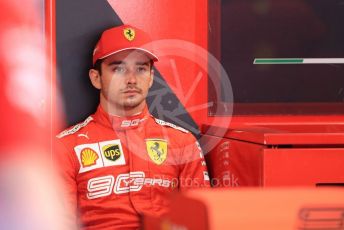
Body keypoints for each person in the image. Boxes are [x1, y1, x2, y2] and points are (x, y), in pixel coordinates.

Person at [54, 24, 210, 230]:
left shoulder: (182, 142)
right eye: (118, 68)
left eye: (141, 68)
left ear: (151, 77)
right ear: (96, 78)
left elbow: (199, 221)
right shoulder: (65, 146)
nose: (132, 79)